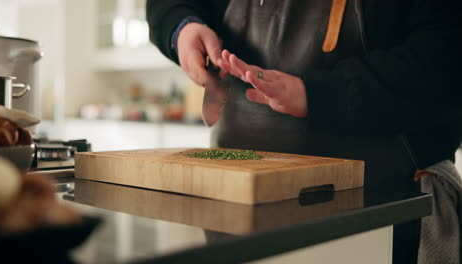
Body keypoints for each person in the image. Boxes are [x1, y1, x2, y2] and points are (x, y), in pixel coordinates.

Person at [146, 0, 462, 263]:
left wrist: (318, 95)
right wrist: (182, 28)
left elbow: (443, 56)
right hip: (235, 217)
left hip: (387, 212)